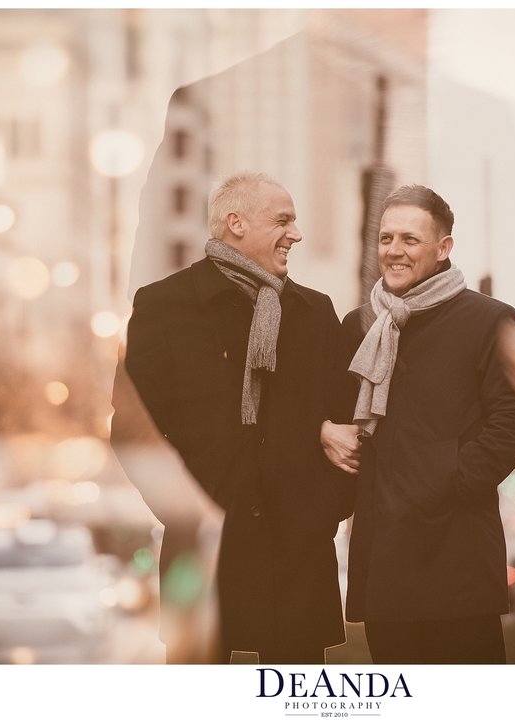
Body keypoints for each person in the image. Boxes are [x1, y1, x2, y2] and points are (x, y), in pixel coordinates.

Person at [111, 172, 353, 664]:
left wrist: (323, 512)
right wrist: (184, 512)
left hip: (297, 552)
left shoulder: (314, 312)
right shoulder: (164, 305)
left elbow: (348, 425)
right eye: (282, 220)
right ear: (235, 222)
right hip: (200, 555)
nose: (297, 234)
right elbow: (133, 430)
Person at [322, 184, 515, 664]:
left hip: (457, 557)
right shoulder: (358, 326)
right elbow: (333, 416)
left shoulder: (492, 320)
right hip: (384, 562)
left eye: (410, 240)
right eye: (386, 238)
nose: (394, 251)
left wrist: (450, 480)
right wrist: (322, 430)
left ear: (444, 248)